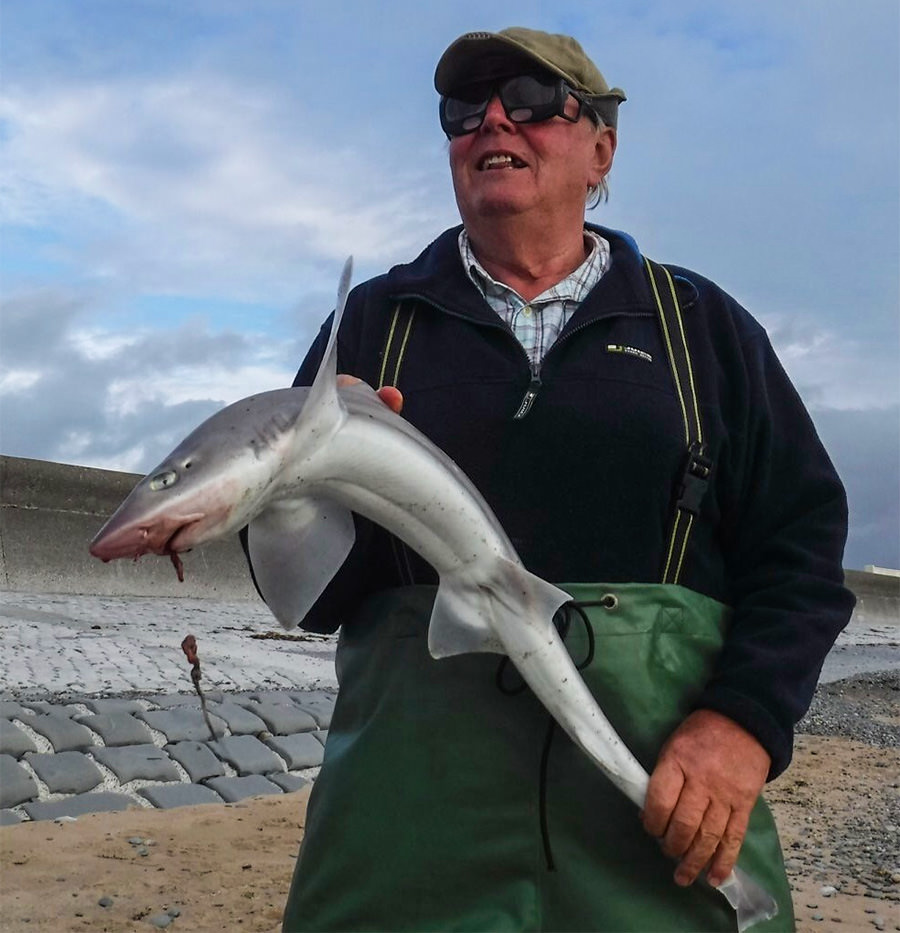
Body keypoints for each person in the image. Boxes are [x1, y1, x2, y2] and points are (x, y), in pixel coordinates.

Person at [265, 27, 854, 933]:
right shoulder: (374, 323)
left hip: (654, 818)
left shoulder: (702, 330)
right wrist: (305, 490)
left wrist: (744, 723)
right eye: (466, 108)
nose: (493, 120)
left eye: (534, 100)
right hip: (410, 825)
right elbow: (310, 599)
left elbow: (801, 549)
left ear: (601, 150)